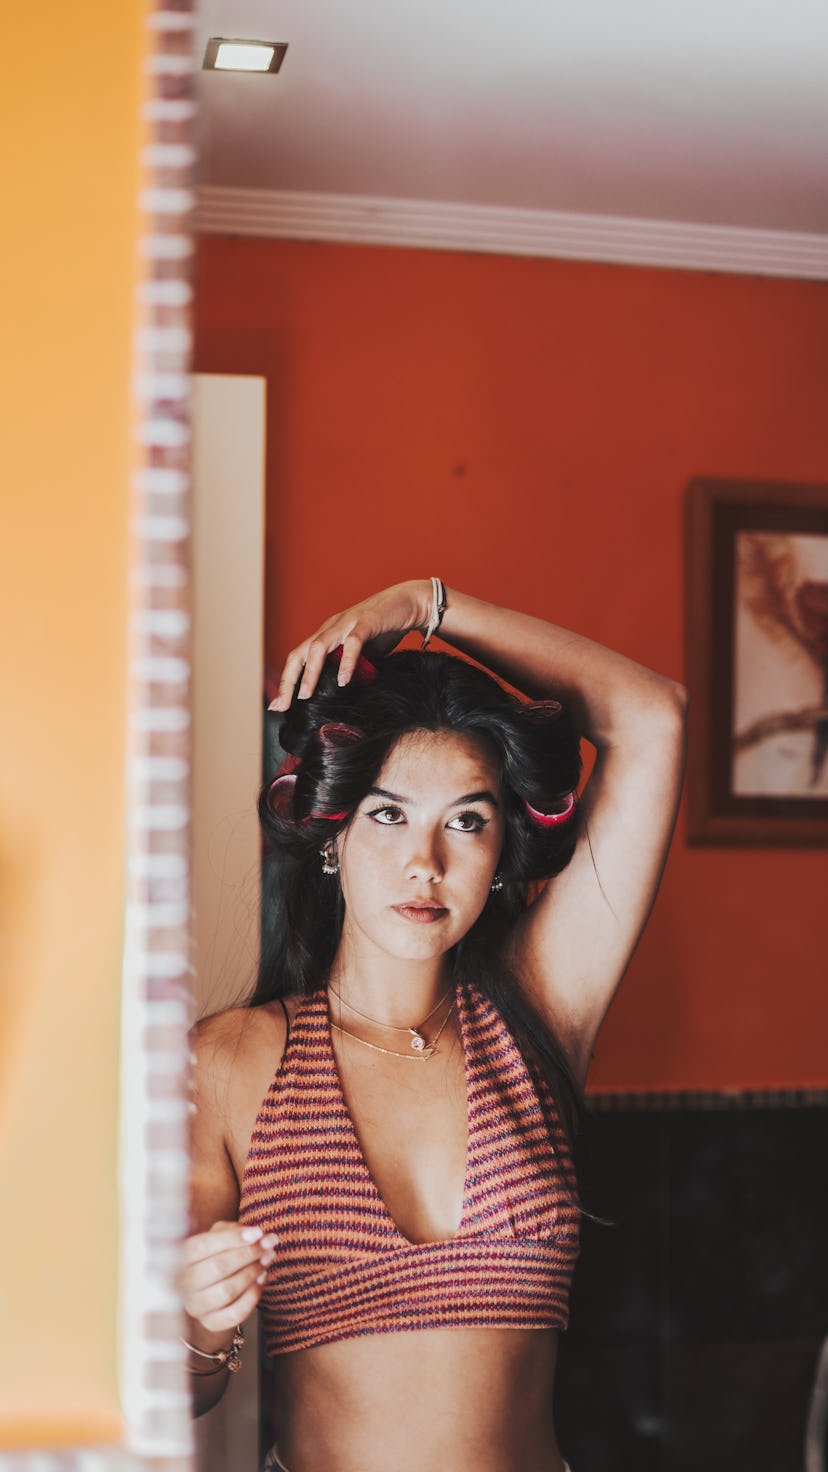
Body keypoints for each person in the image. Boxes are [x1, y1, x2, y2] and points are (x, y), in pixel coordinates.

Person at [181, 578, 687, 1472]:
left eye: (467, 820)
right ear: (333, 836)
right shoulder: (230, 1063)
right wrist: (196, 1320)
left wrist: (425, 603)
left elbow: (653, 717)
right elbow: (183, 1390)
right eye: (388, 814)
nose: (425, 862)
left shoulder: (538, 1013)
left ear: (499, 855)